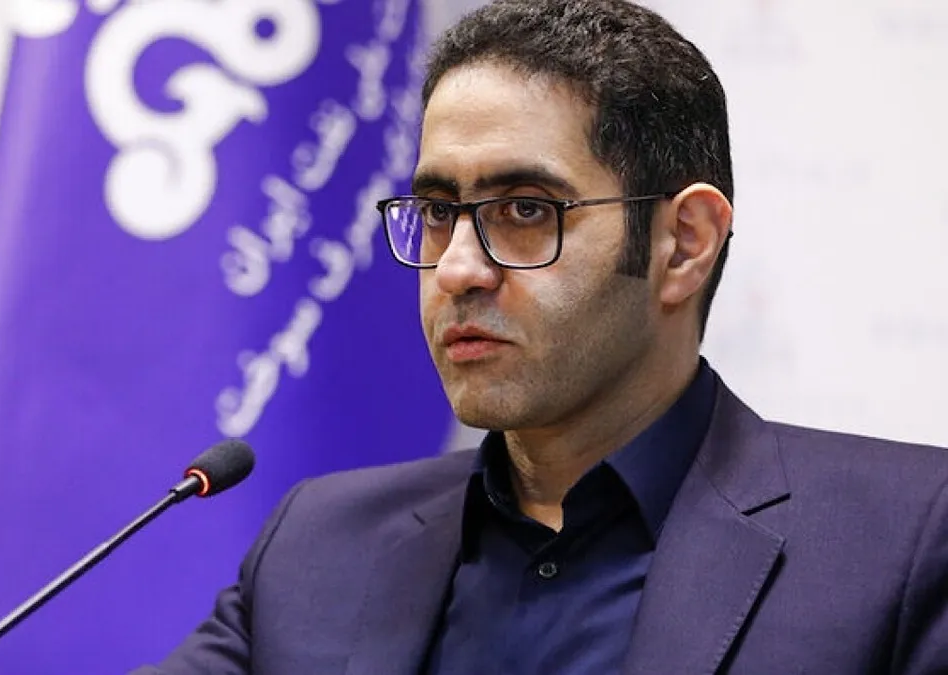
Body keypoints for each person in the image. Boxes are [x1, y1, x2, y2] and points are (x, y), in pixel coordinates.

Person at [136, 0, 948, 672]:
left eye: (525, 210)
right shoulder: (318, 543)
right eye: (439, 212)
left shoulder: (903, 542)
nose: (457, 268)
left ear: (684, 244)